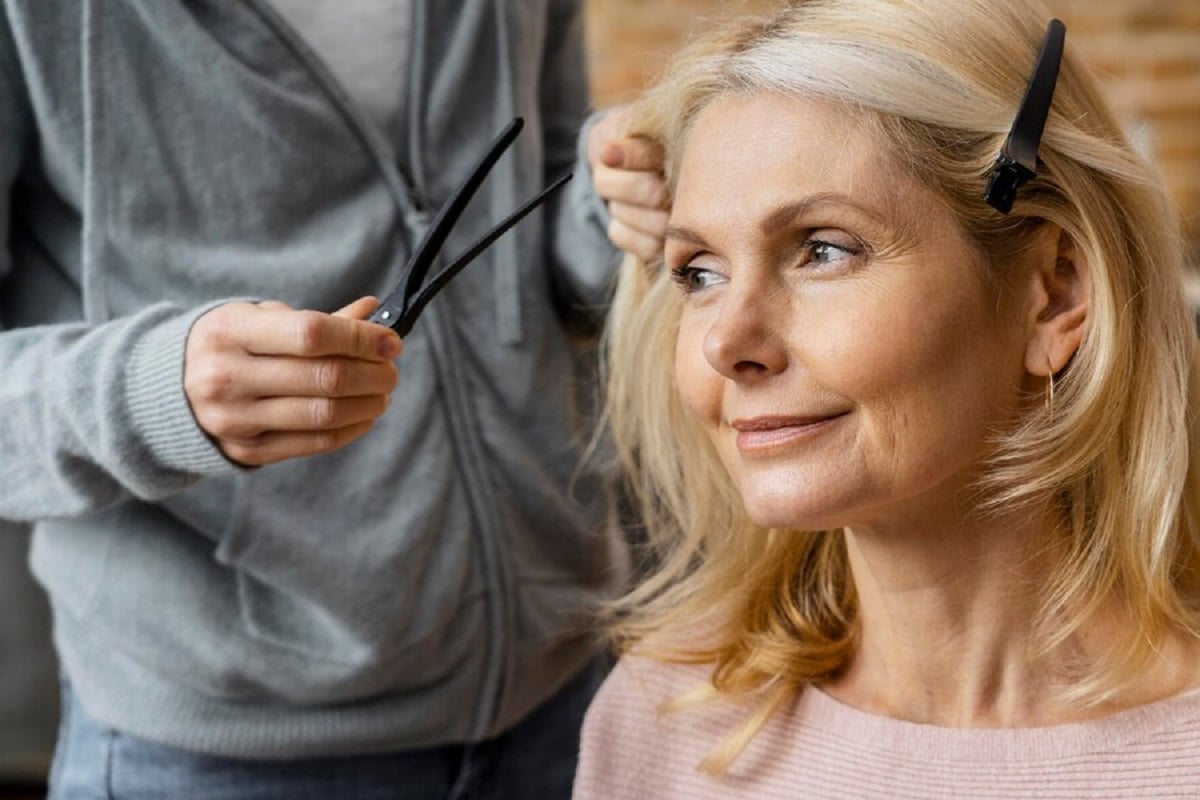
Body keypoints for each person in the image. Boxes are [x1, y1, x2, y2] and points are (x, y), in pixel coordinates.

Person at [0, 1, 667, 797]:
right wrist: (150, 391)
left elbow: (542, 227)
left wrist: (613, 212)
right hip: (223, 746)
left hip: (565, 682)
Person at [573, 0, 1200, 797]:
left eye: (822, 250)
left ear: (1054, 293)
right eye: (700, 271)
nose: (726, 344)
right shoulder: (663, 718)